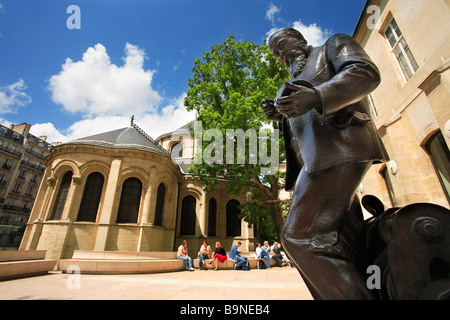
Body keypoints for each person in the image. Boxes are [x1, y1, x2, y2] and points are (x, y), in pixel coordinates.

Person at [261, 28, 389, 300]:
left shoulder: (332, 45)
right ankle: (378, 291)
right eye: (275, 52)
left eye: (282, 44)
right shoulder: (291, 82)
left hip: (340, 149)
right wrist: (279, 116)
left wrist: (317, 96)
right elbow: (303, 121)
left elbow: (364, 72)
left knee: (300, 237)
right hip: (317, 159)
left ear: (299, 40)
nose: (280, 54)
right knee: (347, 243)